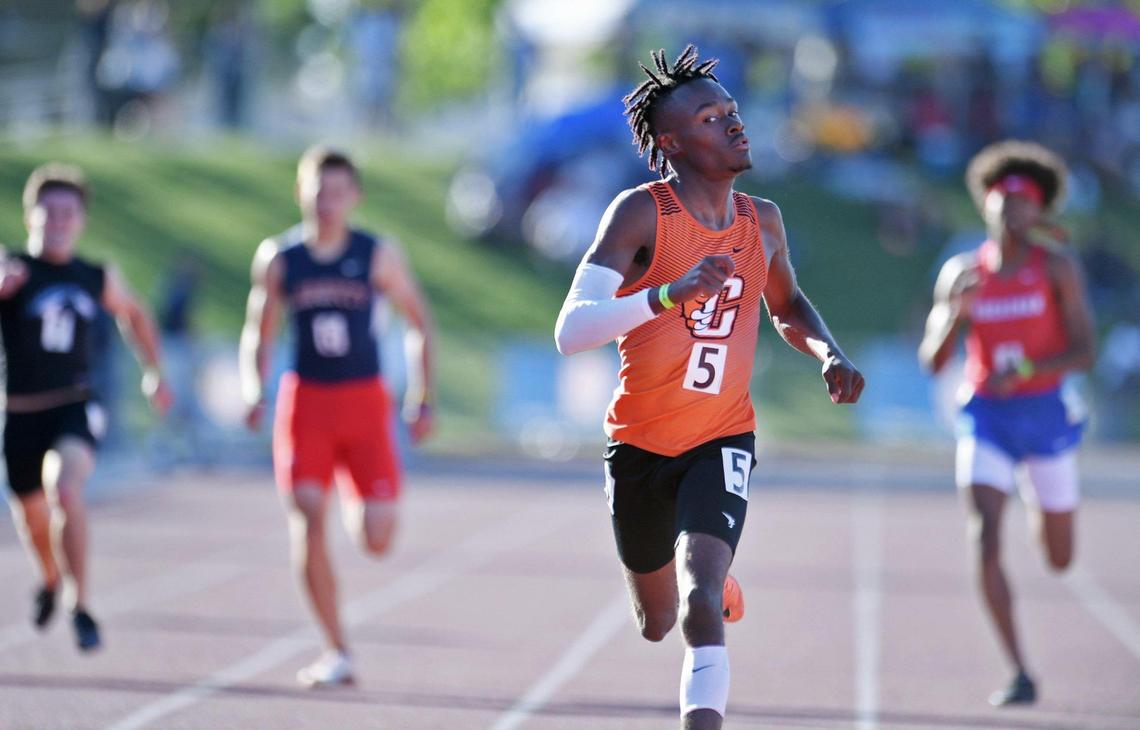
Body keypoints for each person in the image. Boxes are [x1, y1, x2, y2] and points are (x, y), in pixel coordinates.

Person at [554, 46, 864, 730]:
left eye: (731, 110)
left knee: (697, 600)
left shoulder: (765, 221)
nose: (733, 123)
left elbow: (786, 307)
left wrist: (828, 353)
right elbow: (571, 331)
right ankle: (709, 586)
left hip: (721, 435)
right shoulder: (641, 216)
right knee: (656, 621)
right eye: (709, 116)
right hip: (638, 442)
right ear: (671, 142)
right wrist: (668, 293)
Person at [239, 146, 435, 688]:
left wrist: (423, 393)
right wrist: (254, 388)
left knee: (376, 538)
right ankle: (335, 648)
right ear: (300, 192)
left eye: (338, 192)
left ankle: (359, 490)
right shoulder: (280, 259)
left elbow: (419, 321)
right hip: (306, 402)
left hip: (366, 402)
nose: (326, 202)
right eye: (317, 190)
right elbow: (261, 329)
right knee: (304, 511)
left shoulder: (377, 255)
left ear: (355, 198)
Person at [918, 140, 1096, 706]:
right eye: (1005, 202)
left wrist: (1028, 369)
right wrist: (954, 315)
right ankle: (1018, 669)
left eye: (1027, 204)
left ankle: (1041, 500)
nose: (1015, 212)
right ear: (987, 207)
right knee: (984, 535)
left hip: (1043, 413)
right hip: (986, 416)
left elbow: (1085, 350)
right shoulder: (962, 271)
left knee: (1060, 557)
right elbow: (933, 360)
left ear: (1039, 212)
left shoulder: (1057, 267)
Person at [0, 163, 171, 651]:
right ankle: (51, 579)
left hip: (75, 404)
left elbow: (135, 313)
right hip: (20, 413)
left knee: (66, 488)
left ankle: (80, 602)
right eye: (48, 211)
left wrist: (154, 370)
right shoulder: (11, 269)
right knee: (32, 516)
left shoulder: (94, 276)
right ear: (30, 214)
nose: (57, 221)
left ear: (81, 221)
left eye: (68, 212)